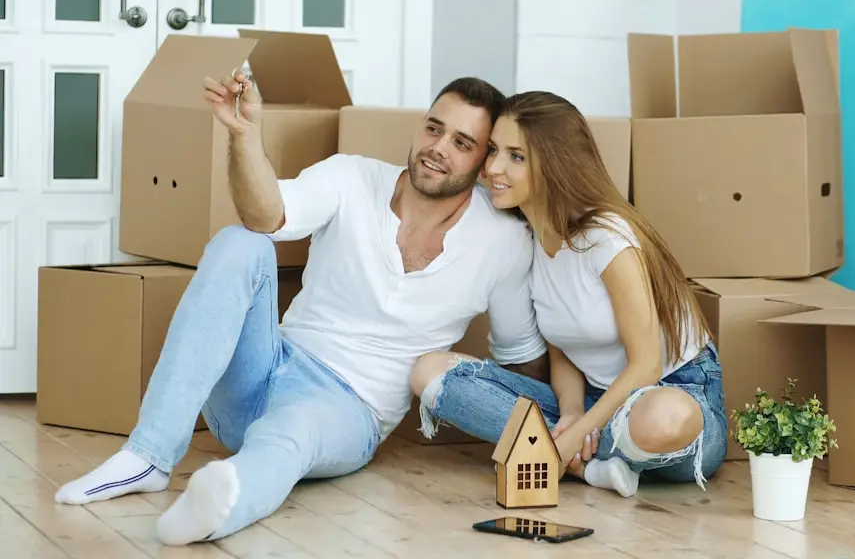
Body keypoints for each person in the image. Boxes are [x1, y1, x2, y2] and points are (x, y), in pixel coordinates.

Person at [53, 75, 548, 546]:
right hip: (264, 368)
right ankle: (148, 456)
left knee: (293, 429)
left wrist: (550, 439)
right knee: (241, 242)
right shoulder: (351, 176)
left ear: (485, 162)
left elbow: (520, 355)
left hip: (348, 409)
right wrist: (245, 134)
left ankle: (222, 501)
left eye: (462, 143)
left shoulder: (501, 241)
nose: (438, 147)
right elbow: (266, 213)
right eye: (434, 128)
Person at [410, 91, 727, 498]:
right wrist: (573, 414)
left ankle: (574, 453)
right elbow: (563, 351)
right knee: (431, 372)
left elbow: (646, 364)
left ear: (554, 164)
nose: (492, 168)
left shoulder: (607, 239)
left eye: (516, 156)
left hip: (673, 394)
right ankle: (593, 467)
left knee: (664, 418)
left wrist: (577, 433)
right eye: (493, 151)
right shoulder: (531, 238)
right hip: (595, 401)